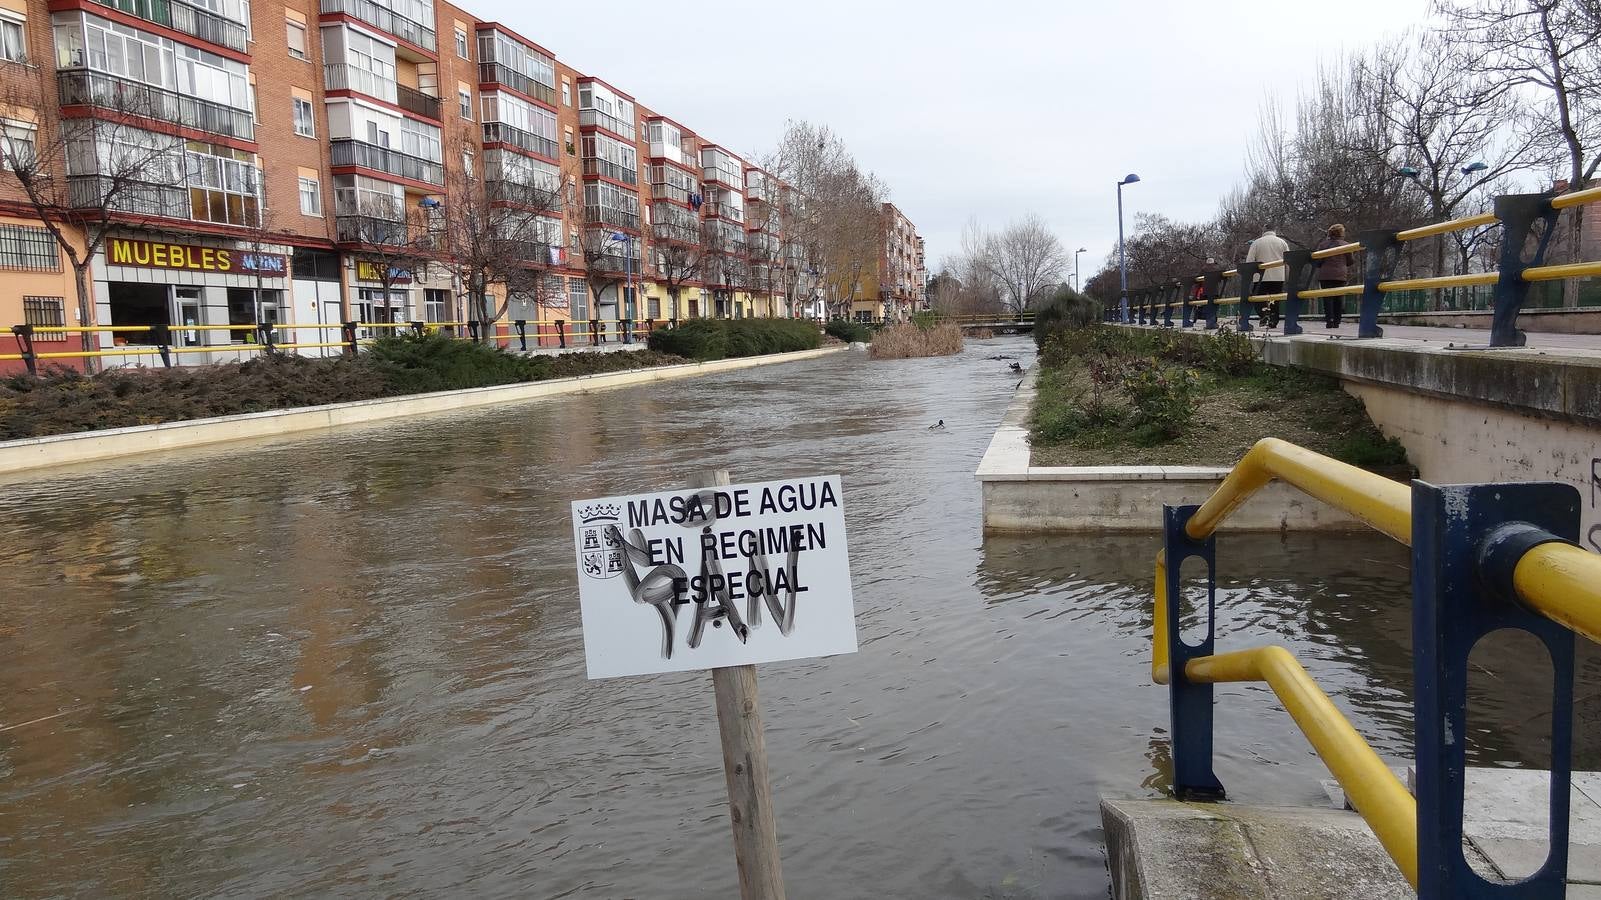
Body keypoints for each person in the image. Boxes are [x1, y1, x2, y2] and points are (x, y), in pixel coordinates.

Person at [1246, 227, 1289, 328]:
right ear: (1274, 231)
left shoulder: (1256, 243)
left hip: (1261, 276)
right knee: (1275, 299)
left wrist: (1250, 276)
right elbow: (1288, 260)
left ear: (1263, 231)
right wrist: (1287, 276)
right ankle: (1274, 320)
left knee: (1256, 298)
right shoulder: (1282, 242)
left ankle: (1263, 314)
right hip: (1278, 275)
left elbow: (1250, 260)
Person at [1316, 224, 1357, 329]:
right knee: (1338, 298)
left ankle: (1329, 320)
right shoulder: (1346, 245)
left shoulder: (1323, 245)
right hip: (1340, 275)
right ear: (1342, 233)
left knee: (1327, 298)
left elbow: (1318, 261)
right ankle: (1337, 321)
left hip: (1325, 275)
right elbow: (1351, 261)